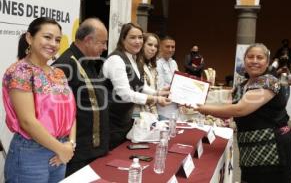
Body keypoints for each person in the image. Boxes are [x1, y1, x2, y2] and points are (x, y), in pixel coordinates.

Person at [194, 43, 291, 183]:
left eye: (259, 58)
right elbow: (227, 106)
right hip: (251, 148)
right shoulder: (243, 84)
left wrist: (203, 108)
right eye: (250, 57)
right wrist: (196, 98)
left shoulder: (269, 81)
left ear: (267, 62)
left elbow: (239, 109)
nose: (254, 61)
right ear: (245, 59)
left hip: (274, 148)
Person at [2, 17, 76, 182]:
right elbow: (27, 121)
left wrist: (70, 144)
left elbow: (71, 114)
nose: (53, 43)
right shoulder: (20, 71)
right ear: (29, 38)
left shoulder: (58, 73)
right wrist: (62, 149)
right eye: (47, 37)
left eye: (57, 40)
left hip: (60, 150)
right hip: (31, 154)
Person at [53, 18, 109, 176]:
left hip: (94, 150)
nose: (105, 48)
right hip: (77, 155)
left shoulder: (89, 61)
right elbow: (57, 114)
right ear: (88, 40)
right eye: (102, 43)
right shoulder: (63, 66)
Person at [102, 23, 171, 149]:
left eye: (140, 38)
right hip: (110, 121)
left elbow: (140, 85)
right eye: (132, 37)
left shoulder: (132, 59)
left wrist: (158, 92)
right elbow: (126, 94)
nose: (138, 41)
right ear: (123, 39)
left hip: (124, 120)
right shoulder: (116, 60)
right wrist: (155, 99)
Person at [156, 35, 179, 118]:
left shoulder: (174, 63)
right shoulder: (155, 63)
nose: (170, 49)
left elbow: (178, 82)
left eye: (173, 47)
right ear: (160, 47)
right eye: (167, 47)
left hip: (175, 106)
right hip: (162, 107)